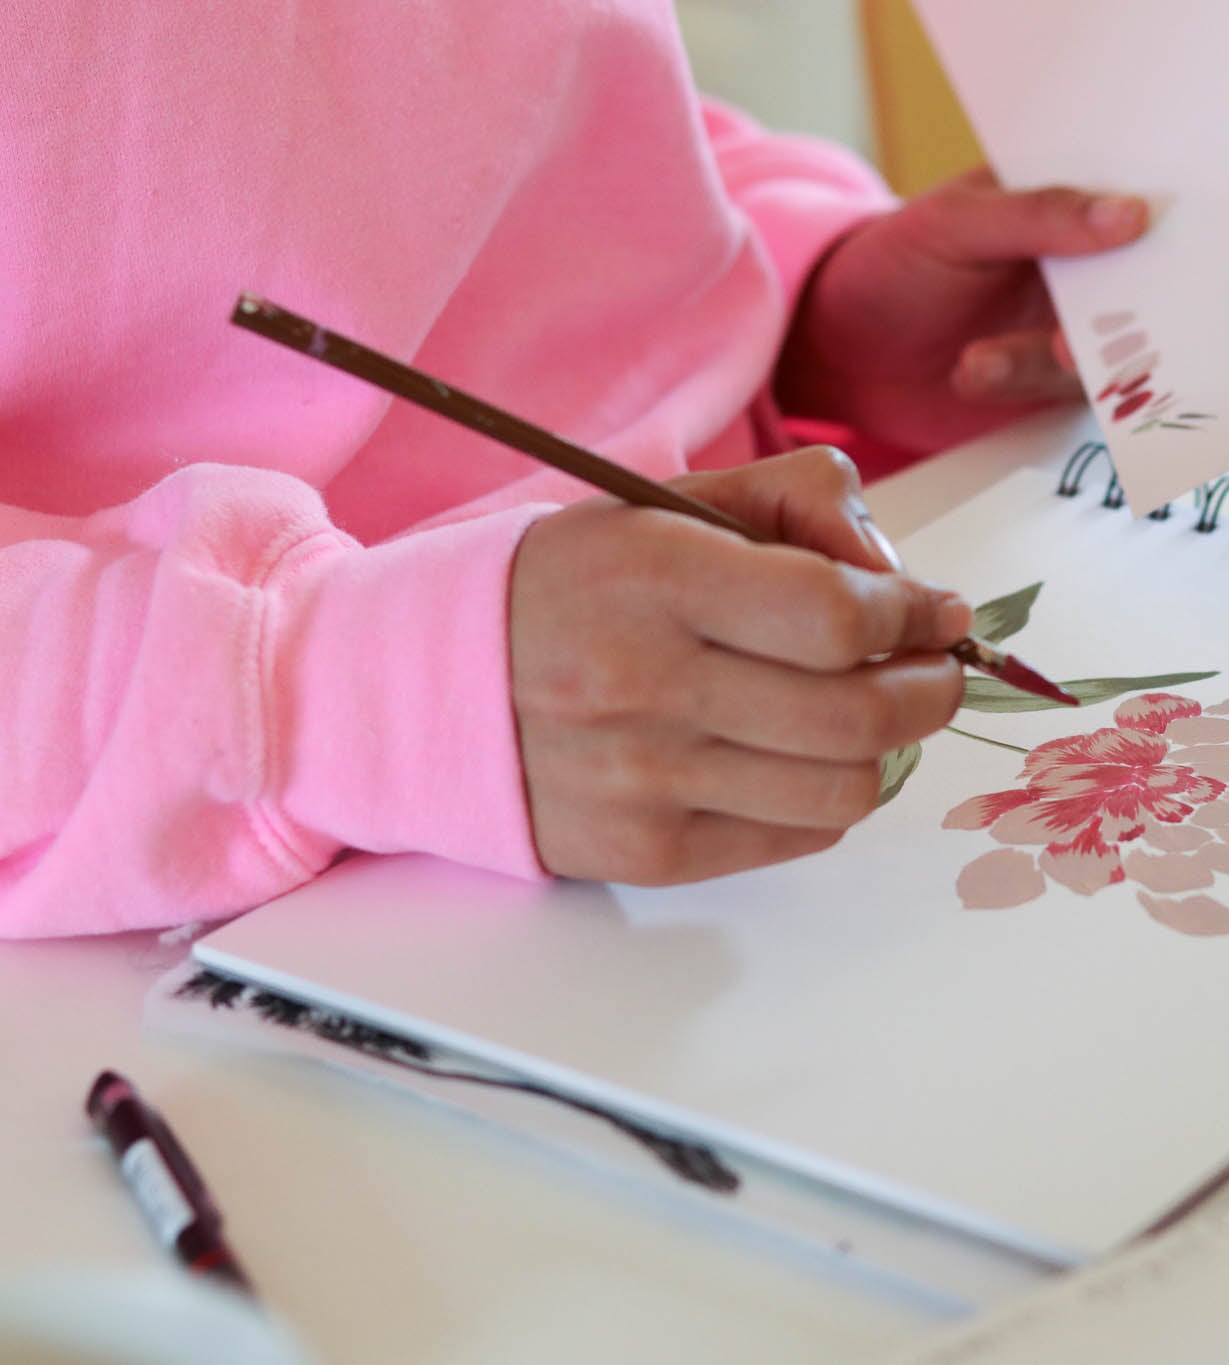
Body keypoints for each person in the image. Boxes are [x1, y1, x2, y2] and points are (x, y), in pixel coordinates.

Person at [0, 2, 1149, 937]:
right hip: (173, 934)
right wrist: (329, 692)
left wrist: (793, 310)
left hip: (734, 815)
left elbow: (505, 85)